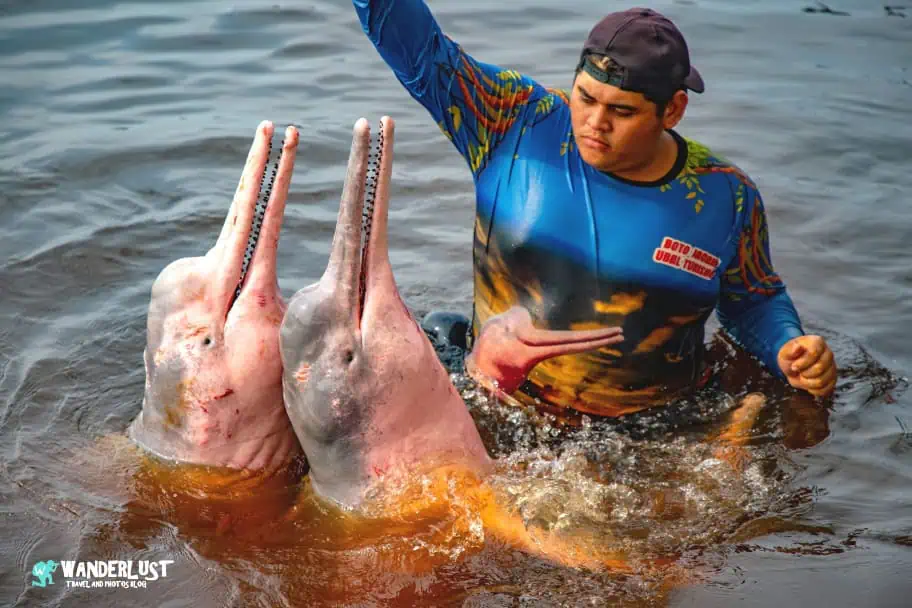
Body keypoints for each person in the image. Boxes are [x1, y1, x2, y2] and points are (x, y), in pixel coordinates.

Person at [352, 0, 838, 418]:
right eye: (586, 98)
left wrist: (788, 349)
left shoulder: (724, 196)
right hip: (501, 401)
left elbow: (752, 300)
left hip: (654, 426)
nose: (594, 123)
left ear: (672, 111)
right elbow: (419, 51)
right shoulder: (514, 121)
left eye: (622, 112)